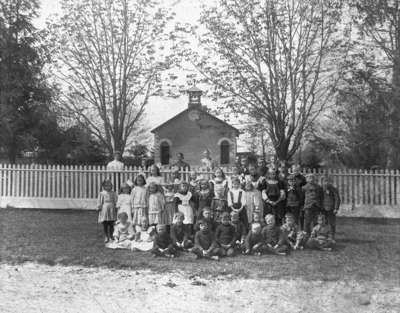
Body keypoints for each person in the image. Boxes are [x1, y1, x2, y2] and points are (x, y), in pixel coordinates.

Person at [321, 175, 340, 239]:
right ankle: (324, 235)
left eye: (328, 181)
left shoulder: (334, 189)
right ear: (322, 182)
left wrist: (336, 208)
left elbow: (337, 199)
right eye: (325, 181)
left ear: (331, 182)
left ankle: (332, 236)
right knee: (324, 222)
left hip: (331, 208)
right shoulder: (321, 189)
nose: (326, 183)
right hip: (323, 208)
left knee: (332, 223)